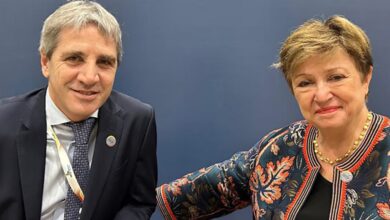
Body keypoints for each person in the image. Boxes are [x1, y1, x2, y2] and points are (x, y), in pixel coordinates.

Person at [156, 15, 389, 220]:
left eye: (336, 77)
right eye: (305, 83)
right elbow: (177, 200)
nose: (321, 94)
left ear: (365, 78)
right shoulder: (278, 149)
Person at [0, 1, 157, 219]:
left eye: (104, 62)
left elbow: (139, 202)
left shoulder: (137, 121)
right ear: (45, 62)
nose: (89, 77)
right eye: (74, 58)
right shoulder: (4, 123)